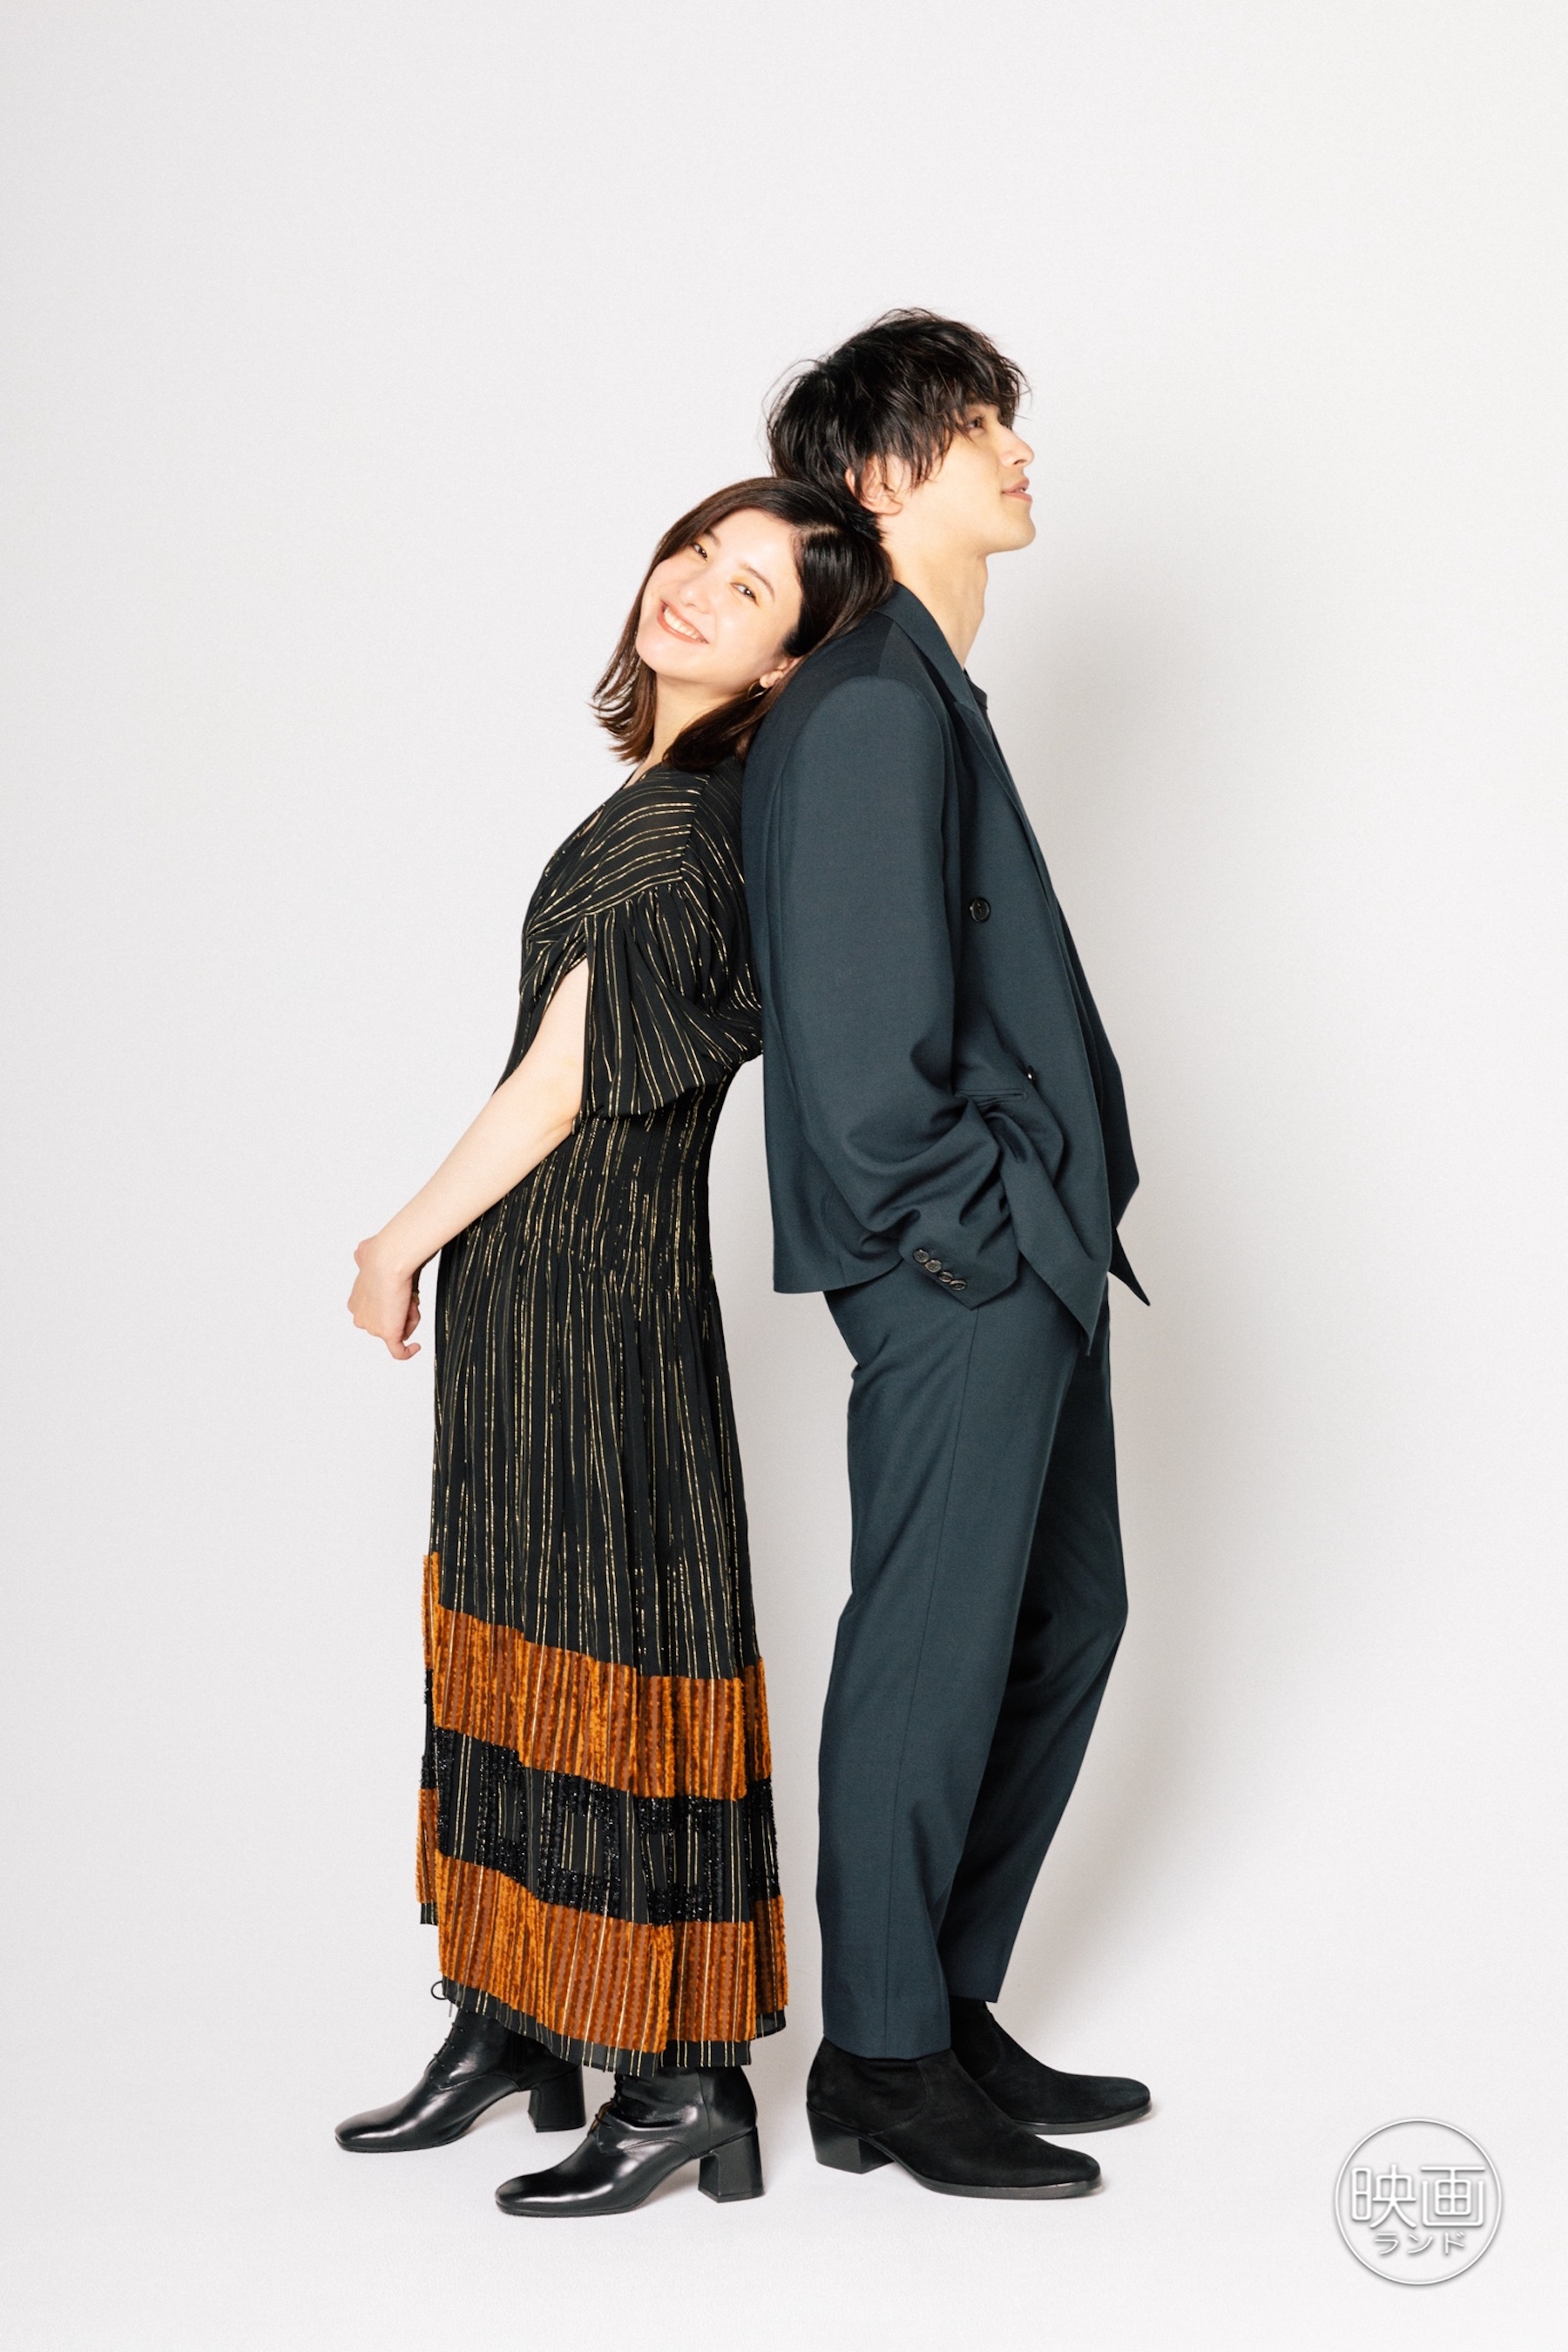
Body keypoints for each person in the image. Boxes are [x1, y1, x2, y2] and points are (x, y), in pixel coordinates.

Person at [335, 478, 889, 2218]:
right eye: (697, 554)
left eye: (752, 590)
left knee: (618, 1646)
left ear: (787, 662)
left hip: (595, 1288)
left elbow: (564, 1080)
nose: (696, 592)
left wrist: (397, 1239)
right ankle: (515, 2016)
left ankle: (683, 2082)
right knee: (519, 1634)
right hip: (541, 1289)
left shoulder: (690, 825)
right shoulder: (664, 797)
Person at [743, 311, 1151, 2200]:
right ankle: (883, 2062)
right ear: (887, 473)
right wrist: (971, 1232)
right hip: (962, 1267)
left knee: (1065, 1621)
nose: (1020, 452)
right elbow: (856, 1056)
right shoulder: (866, 704)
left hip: (1021, 1253)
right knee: (929, 1645)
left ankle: (938, 2003)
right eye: (986, 425)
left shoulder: (922, 686)